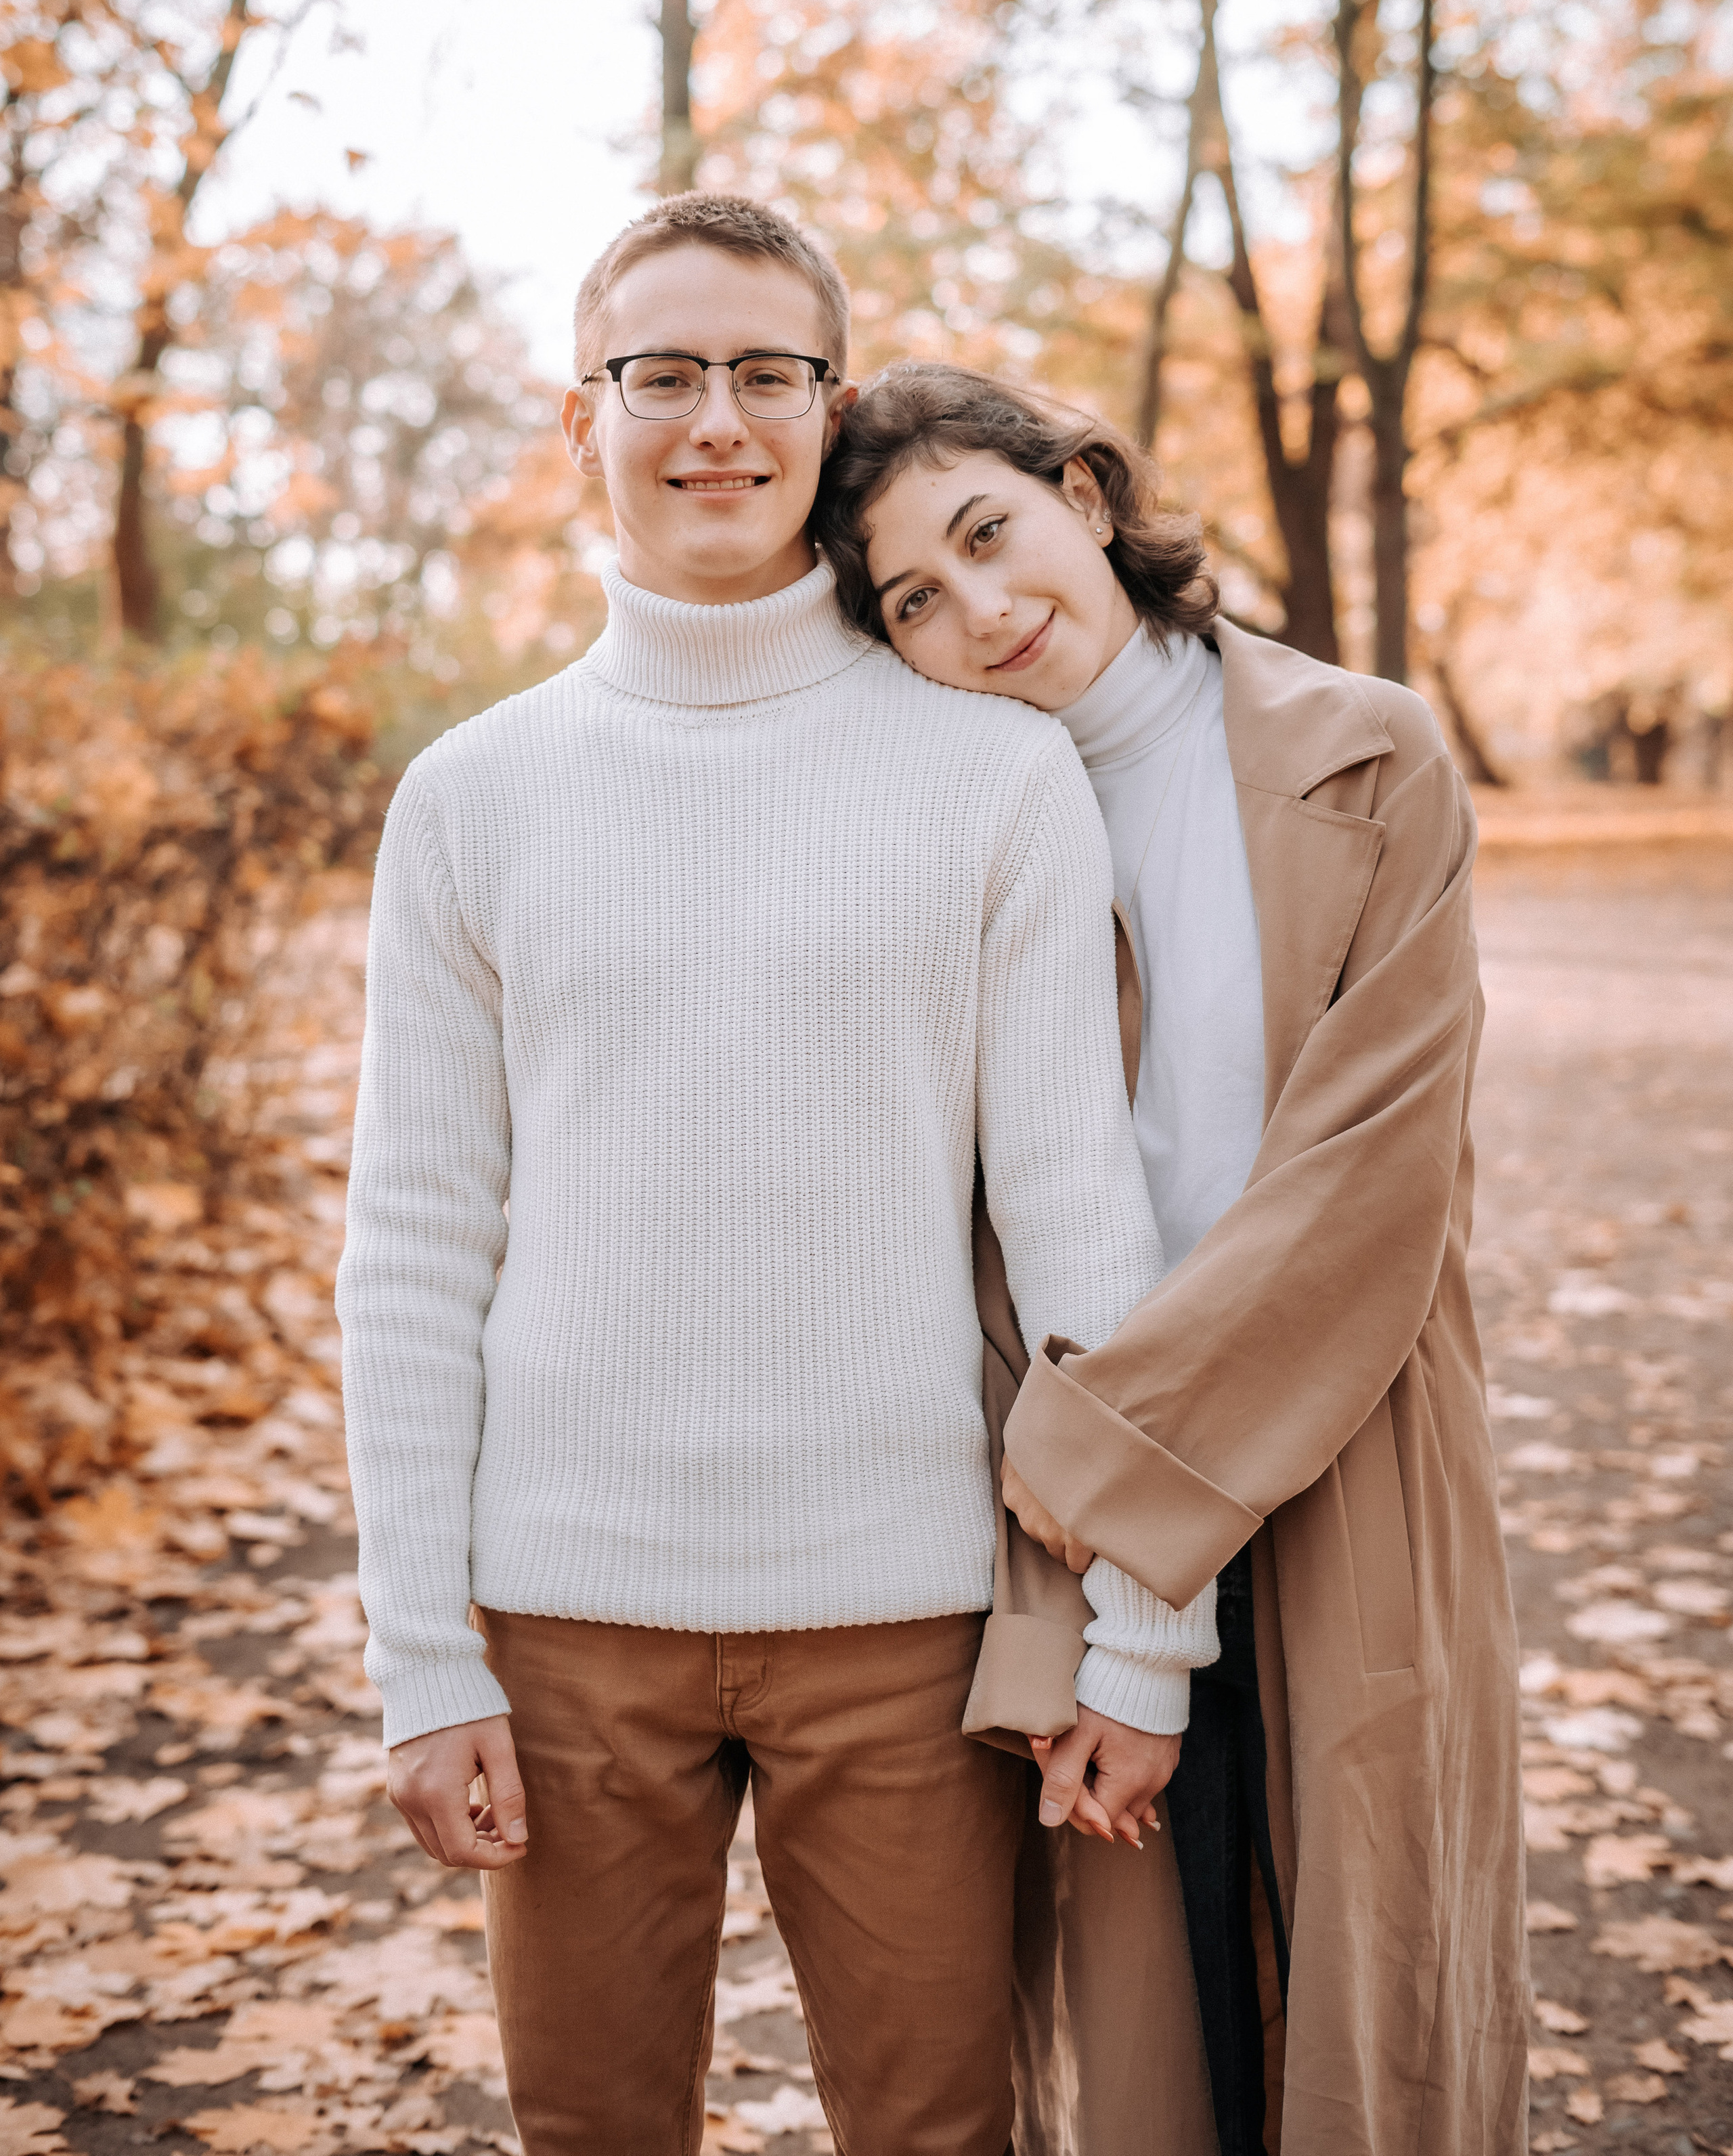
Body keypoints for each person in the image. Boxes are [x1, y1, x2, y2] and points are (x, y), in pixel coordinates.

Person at [335, 196, 1221, 2156]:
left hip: (905, 1625)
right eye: (663, 374)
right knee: (593, 2133)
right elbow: (410, 1246)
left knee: (937, 2134)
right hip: (558, 1625)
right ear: (588, 421)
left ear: (831, 413)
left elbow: (1081, 1225)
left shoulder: (989, 779)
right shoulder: (474, 798)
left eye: (765, 374)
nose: (713, 422)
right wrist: (419, 1656)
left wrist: (1148, 1626)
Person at [814, 361, 1529, 2156]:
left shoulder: (1372, 753)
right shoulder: (946, 833)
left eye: (992, 534)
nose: (981, 610)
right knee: (1154, 2012)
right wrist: (1101, 1594)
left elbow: (1367, 1185)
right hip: (1071, 1474)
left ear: (1089, 492)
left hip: (1340, 1431)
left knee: (1375, 1977)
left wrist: (1122, 1494)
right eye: (913, 598)